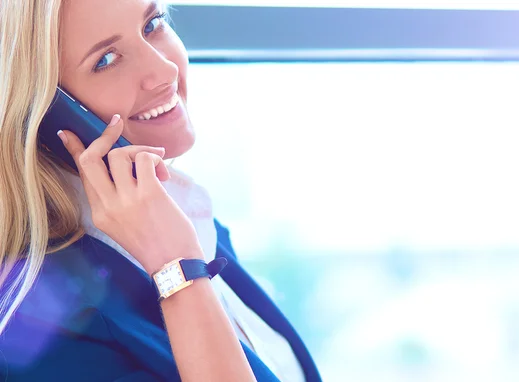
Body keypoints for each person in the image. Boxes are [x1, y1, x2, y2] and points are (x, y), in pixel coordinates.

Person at [0, 0, 321, 381]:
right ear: (45, 112)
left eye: (153, 24)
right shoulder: (39, 321)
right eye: (106, 60)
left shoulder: (186, 217)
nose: (164, 69)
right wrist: (177, 269)